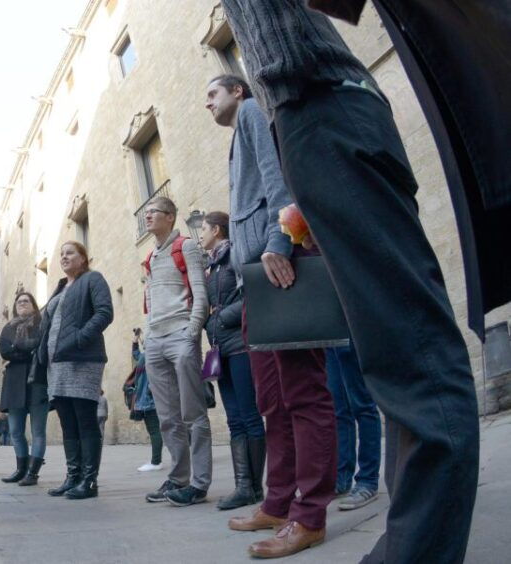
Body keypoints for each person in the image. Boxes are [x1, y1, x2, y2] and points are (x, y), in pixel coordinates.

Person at [218, 4, 482, 561]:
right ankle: (412, 544)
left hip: (327, 109)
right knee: (395, 354)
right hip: (312, 118)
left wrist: (279, 238)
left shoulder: (259, 109)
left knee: (410, 349)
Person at [206, 73, 336, 557]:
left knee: (304, 393)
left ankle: (311, 513)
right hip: (254, 283)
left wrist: (281, 243)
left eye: (212, 94)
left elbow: (281, 179)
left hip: (279, 268)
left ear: (238, 91)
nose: (207, 104)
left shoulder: (255, 114)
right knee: (273, 401)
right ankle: (278, 500)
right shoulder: (238, 133)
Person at [141, 196, 213, 508]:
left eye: (153, 212)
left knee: (193, 413)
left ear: (170, 216)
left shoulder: (186, 246)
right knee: (167, 417)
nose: (147, 217)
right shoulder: (151, 256)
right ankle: (178, 478)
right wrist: (147, 335)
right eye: (145, 213)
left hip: (181, 334)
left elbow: (201, 293)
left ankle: (199, 483)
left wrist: (192, 332)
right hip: (155, 340)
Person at [36, 241, 113, 500]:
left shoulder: (93, 279)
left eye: (70, 253)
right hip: (57, 364)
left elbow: (104, 313)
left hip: (83, 359)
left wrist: (79, 339)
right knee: (68, 421)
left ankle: (89, 482)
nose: (64, 257)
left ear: (83, 258)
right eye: (61, 254)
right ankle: (73, 477)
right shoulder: (60, 287)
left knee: (85, 418)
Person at [199, 211, 265, 511]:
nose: (200, 233)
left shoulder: (234, 254)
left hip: (240, 344)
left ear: (216, 229)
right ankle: (244, 486)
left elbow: (252, 291)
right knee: (234, 418)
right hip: (220, 347)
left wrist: (221, 316)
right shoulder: (210, 265)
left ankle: (252, 487)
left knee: (249, 415)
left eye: (203, 228)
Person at [0, 291, 49, 486]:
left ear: (34, 305)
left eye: (26, 301)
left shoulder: (41, 324)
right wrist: (27, 350)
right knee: (15, 431)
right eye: (19, 301)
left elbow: (42, 347)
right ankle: (21, 469)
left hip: (37, 380)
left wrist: (18, 349)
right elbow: (5, 351)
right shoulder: (8, 328)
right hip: (14, 382)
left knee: (38, 431)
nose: (22, 304)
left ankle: (33, 473)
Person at [326, 342, 381, 510]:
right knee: (339, 409)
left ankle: (368, 480)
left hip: (350, 328)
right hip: (330, 334)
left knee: (363, 405)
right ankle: (342, 478)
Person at [129, 330, 163, 472]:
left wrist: (150, 391)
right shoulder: (146, 356)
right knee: (155, 430)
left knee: (155, 431)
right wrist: (136, 340)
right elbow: (136, 354)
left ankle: (156, 462)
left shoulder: (151, 357)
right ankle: (157, 460)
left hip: (150, 400)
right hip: (147, 399)